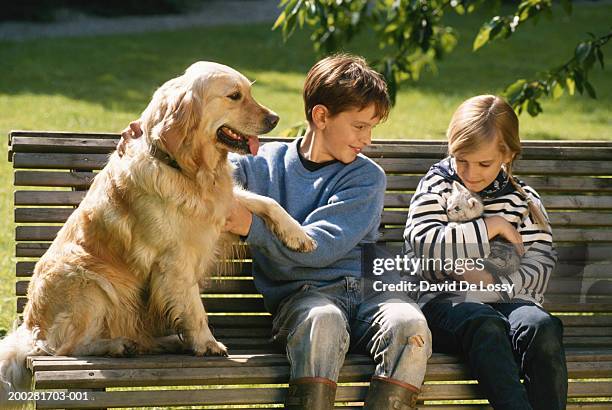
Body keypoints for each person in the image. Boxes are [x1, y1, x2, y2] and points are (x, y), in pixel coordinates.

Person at [119, 54, 432, 409]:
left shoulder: (366, 178)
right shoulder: (258, 164)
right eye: (360, 127)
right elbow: (194, 162)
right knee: (322, 321)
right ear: (321, 117)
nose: (368, 139)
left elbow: (320, 247)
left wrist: (251, 226)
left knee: (410, 324)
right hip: (305, 299)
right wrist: (149, 136)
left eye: (372, 128)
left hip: (370, 297)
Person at [403, 95, 567, 410]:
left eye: (484, 163)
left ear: (508, 154)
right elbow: (424, 243)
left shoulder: (524, 201)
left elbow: (540, 264)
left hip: (506, 299)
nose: (471, 173)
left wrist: (490, 282)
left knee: (541, 327)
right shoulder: (436, 188)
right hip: (442, 302)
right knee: (484, 324)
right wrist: (489, 227)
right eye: (461, 160)